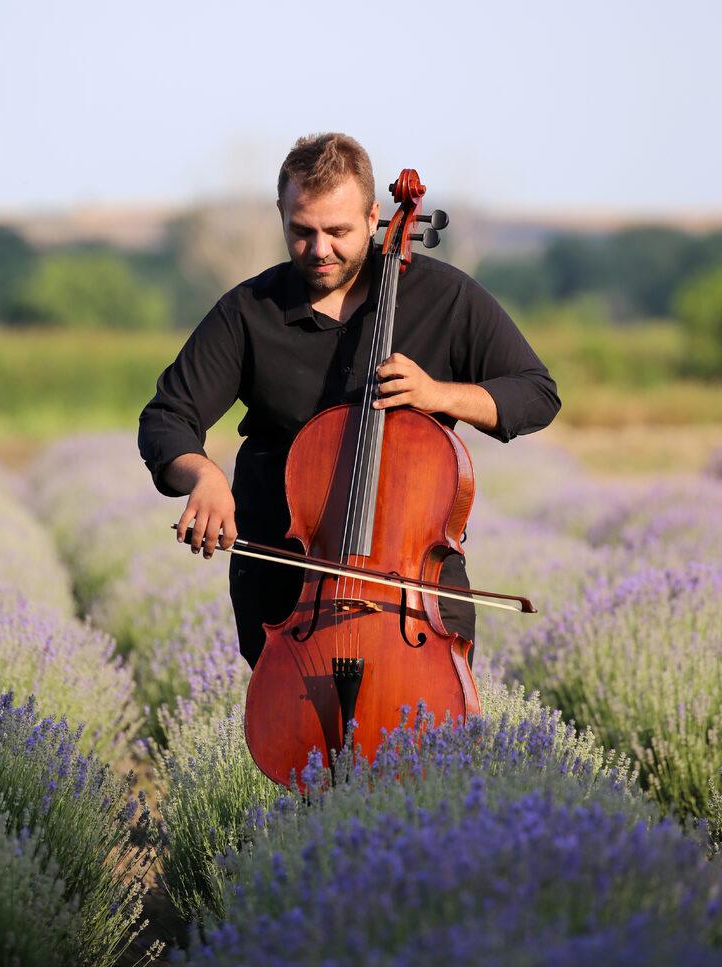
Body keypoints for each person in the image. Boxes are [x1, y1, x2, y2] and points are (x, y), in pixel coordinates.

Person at [138, 132, 561, 671]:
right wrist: (202, 475)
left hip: (415, 594)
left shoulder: (444, 298)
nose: (319, 250)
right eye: (301, 231)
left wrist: (438, 394)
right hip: (288, 591)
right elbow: (167, 416)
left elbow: (536, 393)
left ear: (373, 216)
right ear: (281, 215)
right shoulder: (249, 311)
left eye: (338, 231)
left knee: (425, 726)